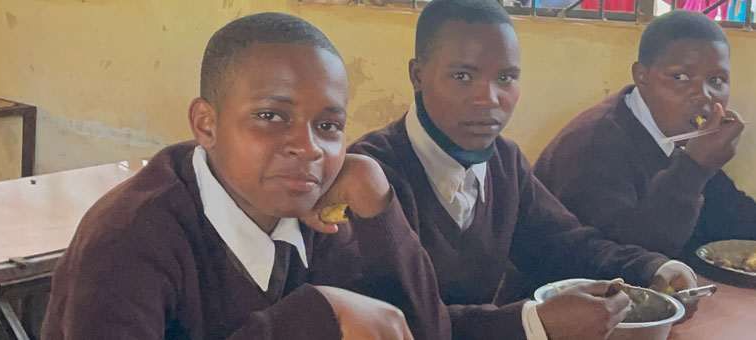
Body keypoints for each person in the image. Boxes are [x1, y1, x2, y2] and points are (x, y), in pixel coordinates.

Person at [41, 13, 451, 340]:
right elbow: (320, 319)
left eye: (328, 126)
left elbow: (421, 331)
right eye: (270, 116)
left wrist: (375, 195)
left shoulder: (316, 216)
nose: (307, 148)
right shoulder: (131, 239)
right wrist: (315, 316)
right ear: (206, 124)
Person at [348, 1, 696, 339]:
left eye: (506, 77)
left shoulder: (504, 161)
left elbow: (564, 245)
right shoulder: (372, 177)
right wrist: (531, 323)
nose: (489, 98)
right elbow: (398, 320)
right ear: (417, 75)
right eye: (462, 76)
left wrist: (650, 268)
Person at [534, 10, 754, 259]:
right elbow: (632, 259)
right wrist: (694, 167)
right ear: (642, 77)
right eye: (680, 77)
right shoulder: (593, 145)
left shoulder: (681, 133)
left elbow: (734, 219)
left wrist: (700, 164)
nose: (703, 95)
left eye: (716, 80)